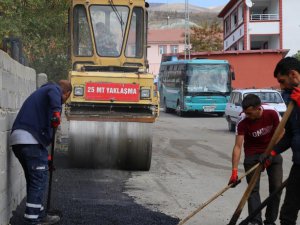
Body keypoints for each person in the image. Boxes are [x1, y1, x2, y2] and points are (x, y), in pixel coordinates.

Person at [9, 80, 72, 225]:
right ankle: (31, 220)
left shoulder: (41, 96)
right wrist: (57, 112)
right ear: (67, 94)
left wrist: (46, 157)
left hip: (21, 141)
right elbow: (54, 93)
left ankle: (40, 214)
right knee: (38, 181)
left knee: (34, 180)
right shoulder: (53, 90)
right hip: (30, 141)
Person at [228, 94, 283, 225]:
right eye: (246, 113)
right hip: (252, 154)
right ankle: (255, 221)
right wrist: (234, 172)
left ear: (259, 109)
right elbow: (237, 146)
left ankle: (270, 221)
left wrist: (272, 152)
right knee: (253, 190)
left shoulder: (272, 112)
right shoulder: (242, 119)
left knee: (276, 188)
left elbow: (282, 132)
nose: (247, 116)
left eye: (250, 113)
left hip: (272, 151)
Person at [262, 56, 300, 225]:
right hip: (299, 164)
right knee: (288, 214)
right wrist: (272, 152)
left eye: (282, 81)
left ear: (293, 74)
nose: (281, 86)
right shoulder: (290, 97)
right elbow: (291, 134)